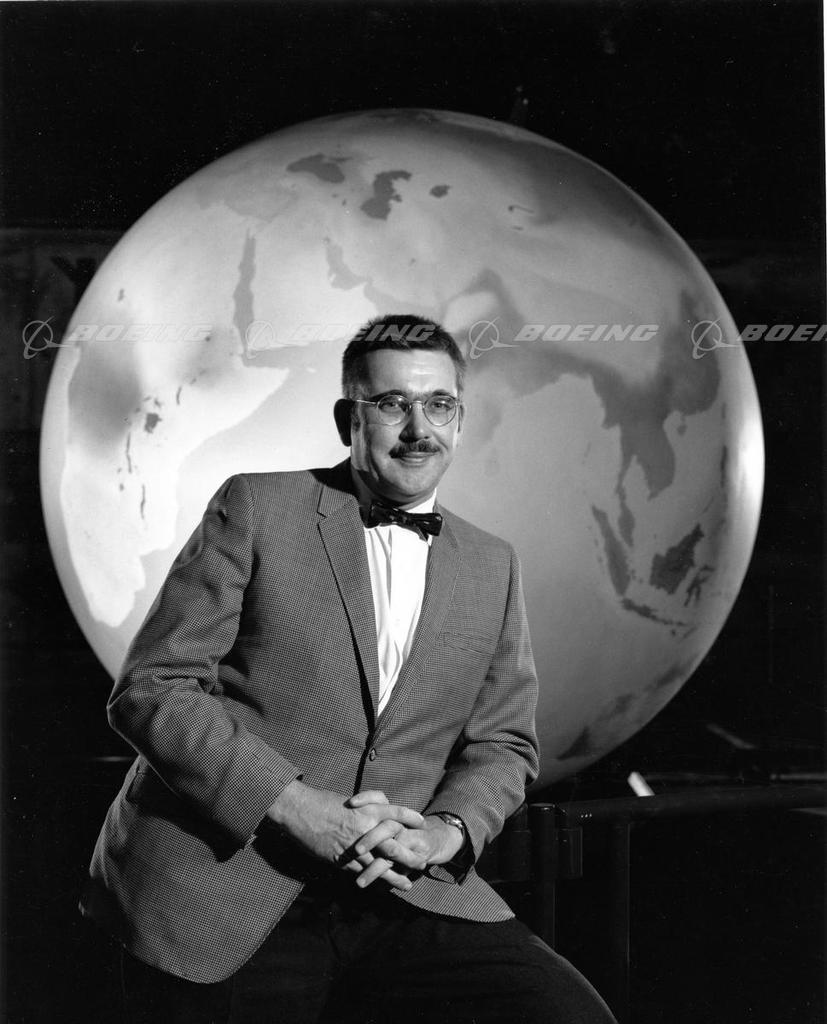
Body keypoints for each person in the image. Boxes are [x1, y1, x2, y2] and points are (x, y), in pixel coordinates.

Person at [81, 314, 616, 1023]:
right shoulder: (256, 506)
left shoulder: (493, 563)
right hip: (228, 885)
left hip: (405, 888)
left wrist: (445, 832)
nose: (418, 428)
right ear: (347, 420)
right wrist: (296, 807)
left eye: (439, 404)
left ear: (459, 421)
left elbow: (504, 744)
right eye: (392, 403)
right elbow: (152, 689)